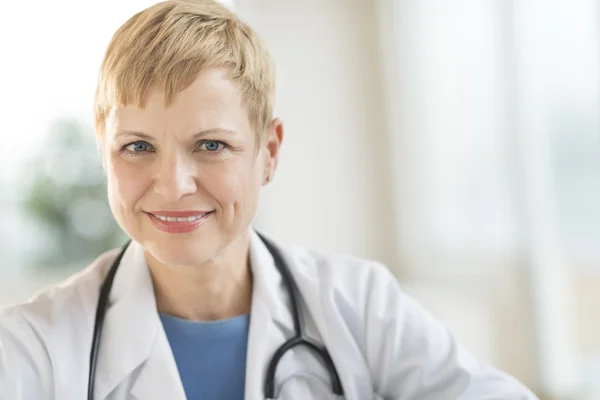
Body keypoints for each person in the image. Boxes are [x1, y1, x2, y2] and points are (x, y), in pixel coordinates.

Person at [0, 1, 539, 399]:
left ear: (269, 152)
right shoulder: (34, 347)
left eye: (211, 145)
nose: (172, 184)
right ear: (104, 152)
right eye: (137, 146)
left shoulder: (359, 307)